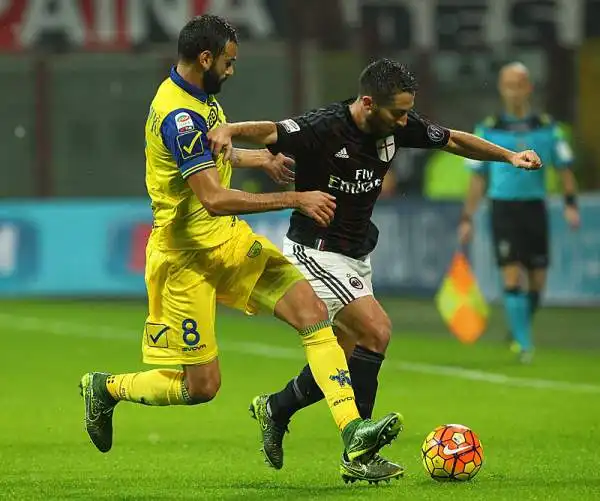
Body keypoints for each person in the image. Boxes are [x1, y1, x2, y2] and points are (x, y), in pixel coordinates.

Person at [78, 15, 405, 470]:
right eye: (228, 62)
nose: (232, 71)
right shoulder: (179, 117)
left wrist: (257, 158)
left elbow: (207, 156)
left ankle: (353, 432)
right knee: (201, 387)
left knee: (312, 313)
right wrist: (295, 197)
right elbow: (212, 197)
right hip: (185, 260)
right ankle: (105, 388)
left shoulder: (199, 97)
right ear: (206, 58)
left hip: (229, 244)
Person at [207, 58, 542, 483]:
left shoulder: (397, 125)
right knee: (377, 329)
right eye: (398, 112)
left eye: (408, 111)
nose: (405, 120)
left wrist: (510, 156)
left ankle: (275, 408)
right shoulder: (324, 126)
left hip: (355, 254)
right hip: (315, 249)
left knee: (344, 356)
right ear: (368, 103)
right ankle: (359, 455)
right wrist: (229, 130)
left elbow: (453, 140)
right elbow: (272, 131)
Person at [458, 62, 580, 363]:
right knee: (511, 273)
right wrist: (467, 217)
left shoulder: (548, 128)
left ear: (529, 88)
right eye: (509, 84)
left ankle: (518, 327)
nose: (514, 90)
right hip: (503, 208)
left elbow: (564, 170)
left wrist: (570, 204)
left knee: (538, 282)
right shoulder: (489, 128)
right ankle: (525, 344)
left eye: (519, 84)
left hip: (534, 208)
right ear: (501, 88)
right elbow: (477, 178)